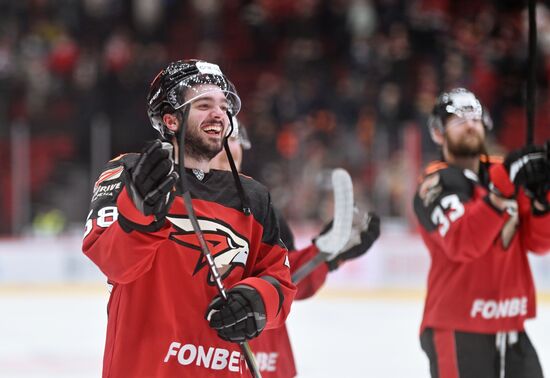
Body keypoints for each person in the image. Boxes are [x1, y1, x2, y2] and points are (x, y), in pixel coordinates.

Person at [82, 59, 296, 377]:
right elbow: (113, 262)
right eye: (204, 104)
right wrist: (140, 211)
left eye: (224, 106)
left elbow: (278, 280)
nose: (219, 114)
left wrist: (256, 301)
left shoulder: (253, 197)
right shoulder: (130, 172)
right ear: (171, 119)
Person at [211, 120, 381, 377]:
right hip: (199, 358)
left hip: (265, 361)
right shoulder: (172, 208)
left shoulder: (262, 208)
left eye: (232, 138)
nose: (225, 146)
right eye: (215, 136)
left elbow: (284, 278)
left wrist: (326, 254)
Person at [413, 88, 550, 378]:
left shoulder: (505, 172)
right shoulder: (435, 184)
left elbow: (537, 243)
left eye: (475, 117)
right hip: (458, 329)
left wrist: (542, 203)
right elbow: (463, 242)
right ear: (438, 133)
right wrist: (502, 189)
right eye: (458, 120)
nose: (470, 124)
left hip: (510, 329)